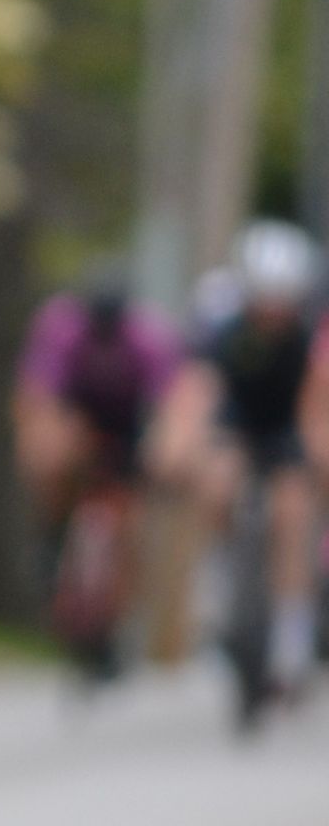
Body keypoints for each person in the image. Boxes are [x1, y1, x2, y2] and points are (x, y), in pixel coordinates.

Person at [148, 218, 327, 703]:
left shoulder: (314, 328)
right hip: (238, 420)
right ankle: (218, 585)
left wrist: (316, 456)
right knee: (217, 478)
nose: (271, 312)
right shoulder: (218, 317)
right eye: (263, 300)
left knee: (293, 511)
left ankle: (292, 638)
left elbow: (318, 399)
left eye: (282, 301)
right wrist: (178, 445)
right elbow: (196, 390)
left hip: (290, 421)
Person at [13, 263, 182, 671]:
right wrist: (45, 446)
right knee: (48, 450)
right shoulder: (61, 328)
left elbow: (173, 404)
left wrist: (165, 451)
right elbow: (37, 396)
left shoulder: (149, 338)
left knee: (131, 522)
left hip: (129, 433)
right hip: (81, 425)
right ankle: (52, 536)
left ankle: (119, 616)